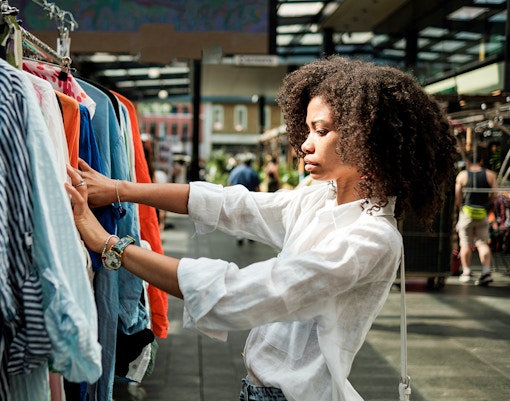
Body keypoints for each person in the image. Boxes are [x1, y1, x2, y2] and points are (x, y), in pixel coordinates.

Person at [64, 56, 456, 401]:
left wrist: (110, 245)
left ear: (367, 137)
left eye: (321, 131)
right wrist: (118, 188)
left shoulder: (371, 238)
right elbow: (233, 203)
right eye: (307, 129)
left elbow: (244, 292)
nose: (305, 143)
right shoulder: (319, 199)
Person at [455, 149, 497, 285]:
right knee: (482, 243)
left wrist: (460, 207)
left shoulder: (462, 176)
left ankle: (466, 272)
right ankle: (486, 271)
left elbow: (458, 197)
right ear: (481, 161)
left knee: (465, 243)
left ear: (467, 163)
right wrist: (487, 203)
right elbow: (494, 195)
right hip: (482, 212)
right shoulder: (490, 175)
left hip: (467, 212)